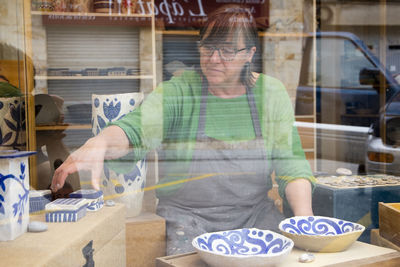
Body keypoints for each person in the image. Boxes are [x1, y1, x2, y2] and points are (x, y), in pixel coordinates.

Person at [51, 5, 316, 255]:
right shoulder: (180, 91)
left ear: (249, 54)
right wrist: (100, 143)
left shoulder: (270, 94)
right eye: (207, 48)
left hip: (256, 216)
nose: (213, 59)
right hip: (187, 219)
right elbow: (137, 128)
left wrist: (305, 223)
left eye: (226, 51)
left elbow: (291, 165)